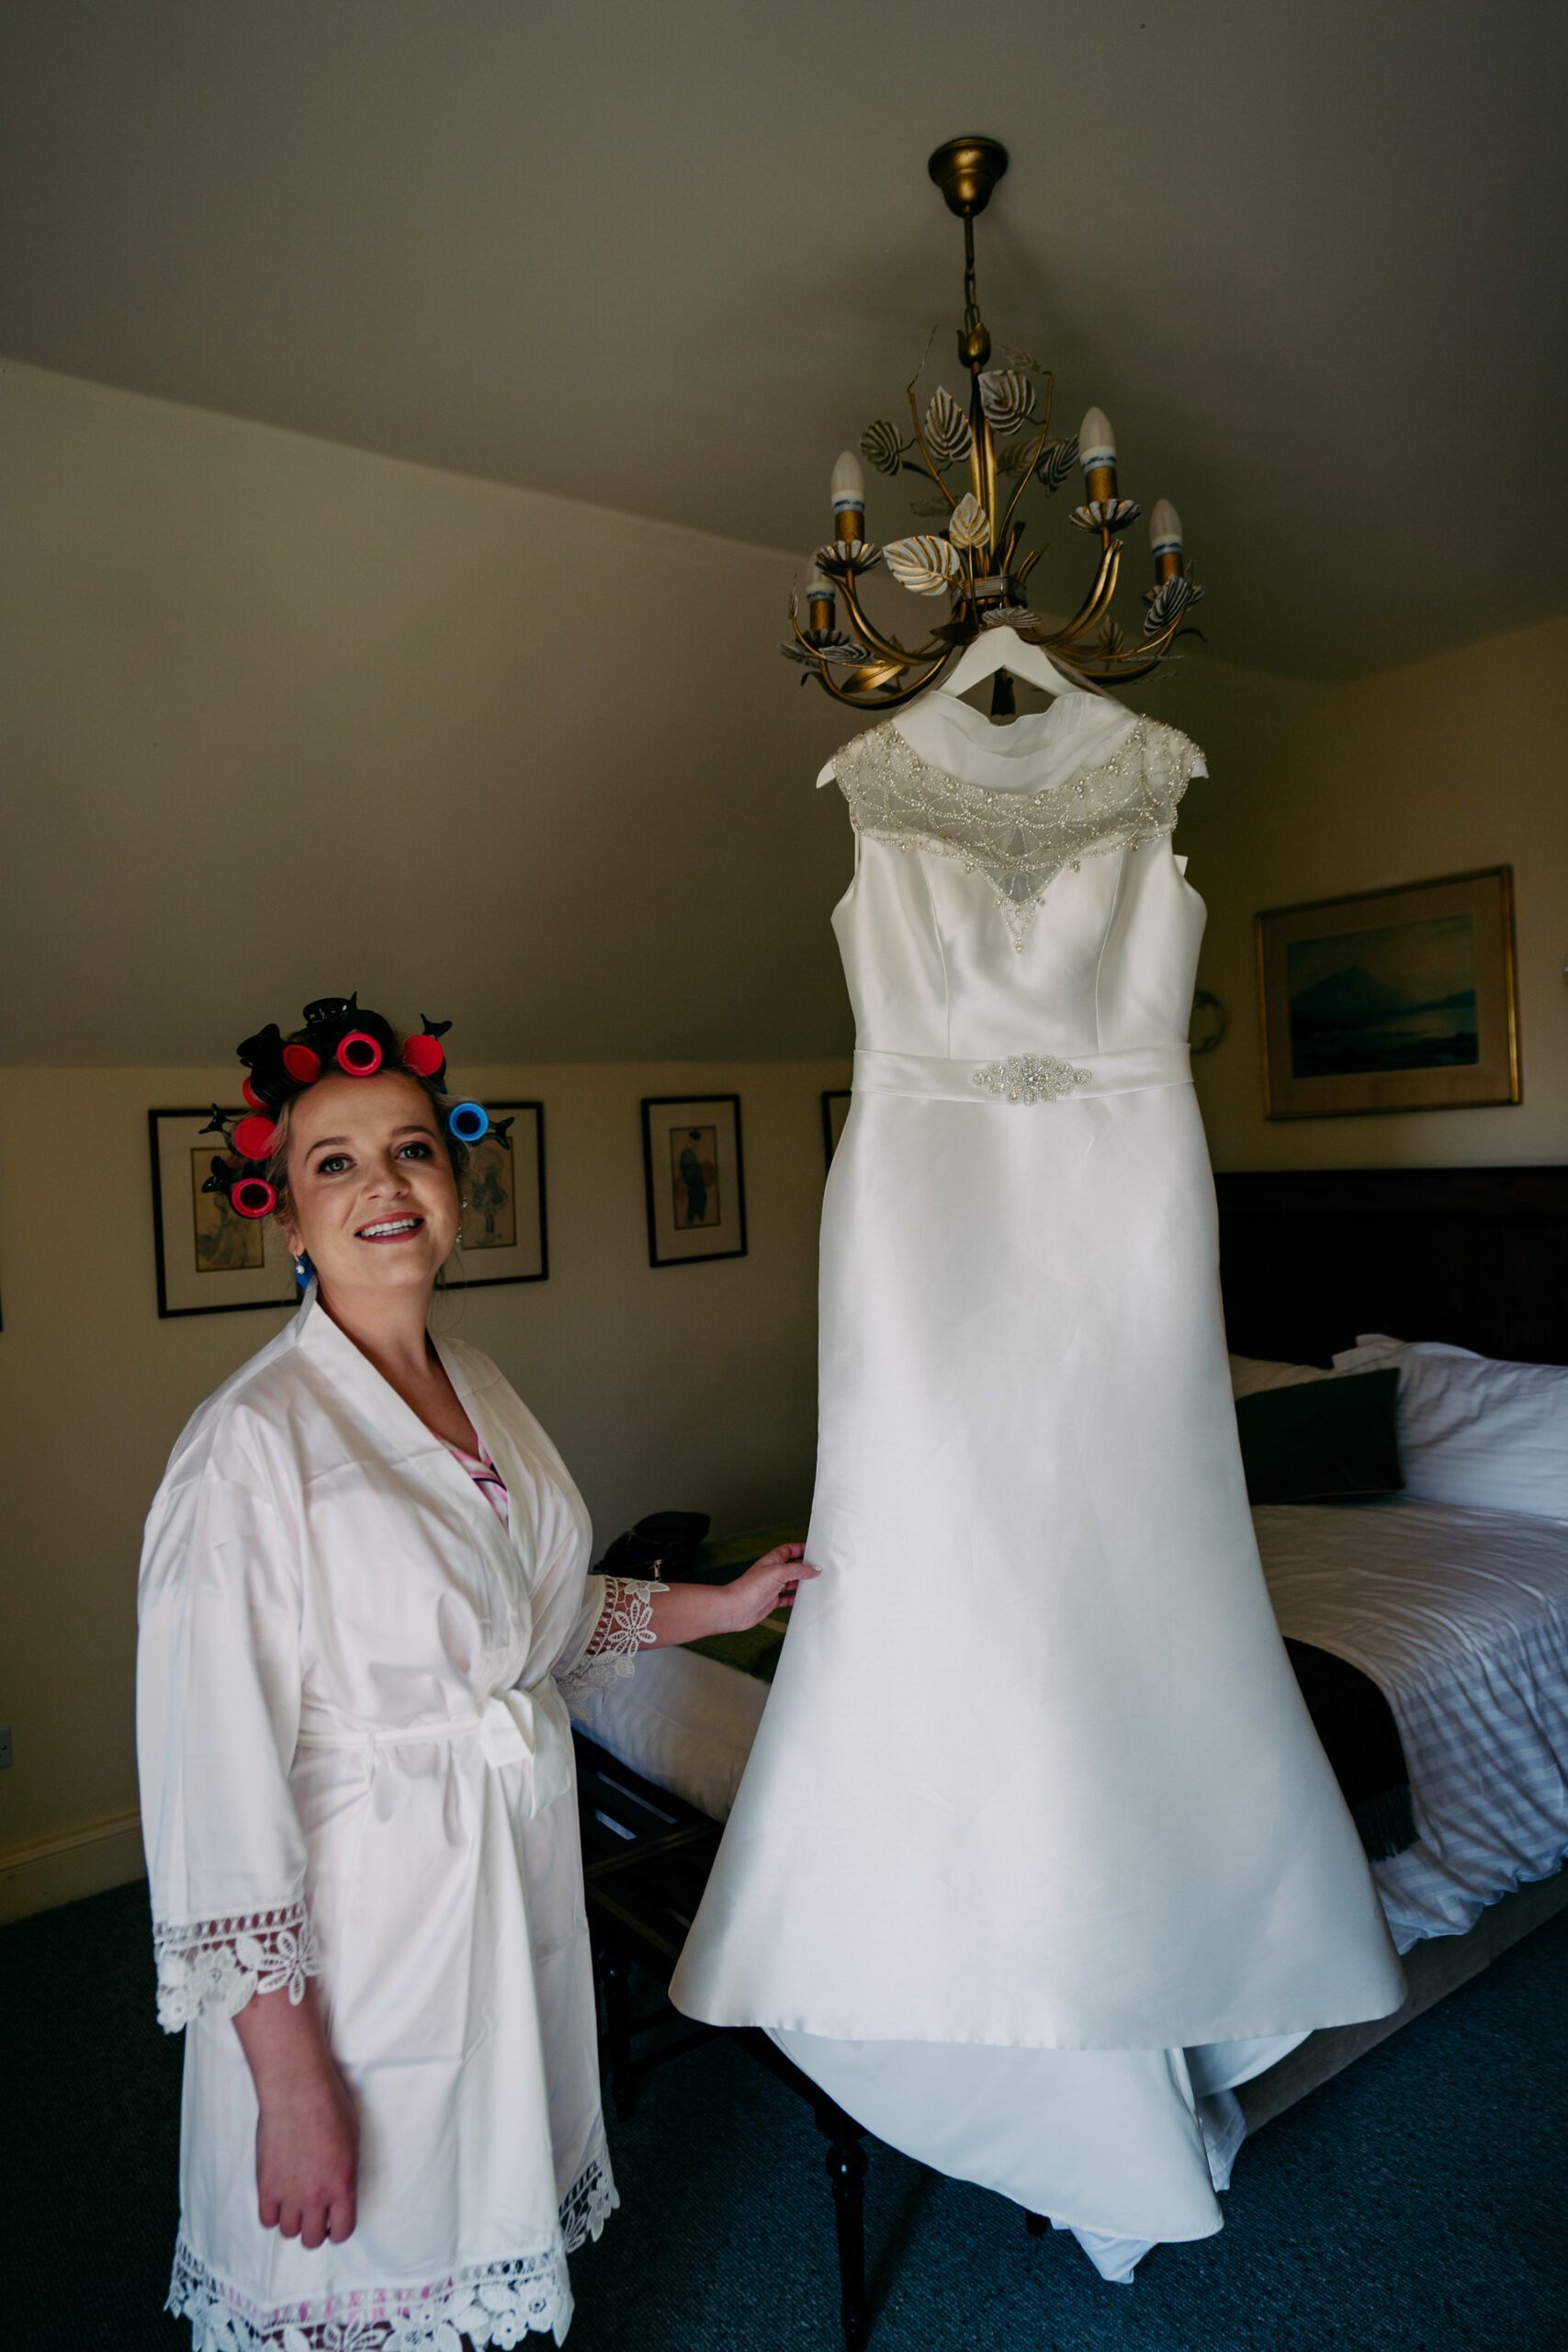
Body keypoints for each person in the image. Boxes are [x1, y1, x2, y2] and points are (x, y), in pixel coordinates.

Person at [138, 997, 813, 2351]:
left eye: (413, 1151)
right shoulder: (248, 1448)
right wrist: (289, 2083)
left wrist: (722, 1603)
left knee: (477, 2225)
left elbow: (536, 1619)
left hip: (501, 1887)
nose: (384, 1184)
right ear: (286, 1216)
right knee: (361, 2265)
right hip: (364, 1929)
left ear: (454, 1186)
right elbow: (212, 1789)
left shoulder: (482, 1380)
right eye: (337, 1161)